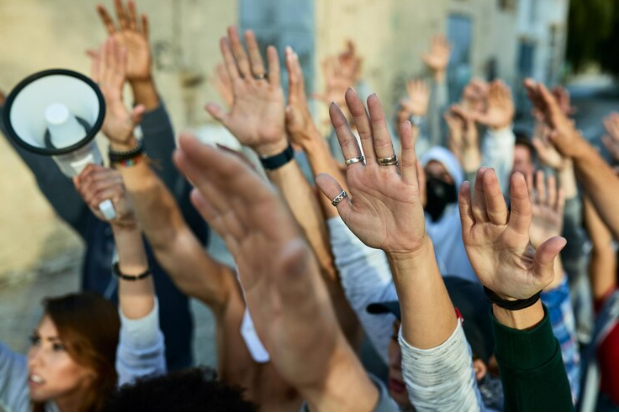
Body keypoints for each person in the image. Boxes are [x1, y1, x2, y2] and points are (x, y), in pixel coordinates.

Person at [91, 33, 303, 411]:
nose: (234, 208)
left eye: (245, 194)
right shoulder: (232, 296)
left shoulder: (323, 298)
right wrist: (124, 147)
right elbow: (169, 238)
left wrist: (273, 150)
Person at [0, 0, 197, 371]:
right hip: (94, 371)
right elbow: (42, 162)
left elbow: (161, 172)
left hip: (168, 371)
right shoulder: (92, 220)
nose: (112, 187)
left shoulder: (174, 227)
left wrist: (142, 85)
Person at [173, 133, 398, 411]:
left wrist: (278, 153)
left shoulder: (332, 307)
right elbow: (169, 245)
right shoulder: (232, 296)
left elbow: (325, 262)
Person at [0, 164, 165, 412]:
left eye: (57, 347)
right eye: (36, 341)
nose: (35, 359)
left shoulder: (132, 399)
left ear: (94, 366)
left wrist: (126, 227)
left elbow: (141, 331)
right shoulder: (34, 398)